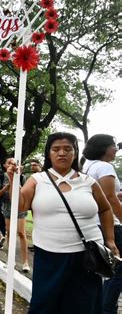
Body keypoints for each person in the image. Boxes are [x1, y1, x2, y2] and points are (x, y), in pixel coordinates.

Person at [8, 132, 118, 313]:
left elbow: (105, 210)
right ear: (49, 153)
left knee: (84, 306)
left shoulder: (88, 182)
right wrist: (13, 180)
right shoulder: (37, 180)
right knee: (45, 306)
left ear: (75, 153)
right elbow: (20, 205)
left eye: (68, 149)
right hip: (49, 258)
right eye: (56, 149)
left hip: (87, 259)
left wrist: (110, 240)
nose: (62, 153)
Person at [82, 134, 122, 314]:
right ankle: (107, 310)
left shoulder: (88, 166)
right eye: (113, 146)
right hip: (111, 225)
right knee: (118, 272)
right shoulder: (105, 166)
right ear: (104, 148)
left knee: (107, 269)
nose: (116, 149)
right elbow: (110, 200)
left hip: (95, 225)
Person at [0, 157, 30, 272]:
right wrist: (7, 187)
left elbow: (25, 194)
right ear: (5, 165)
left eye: (14, 163)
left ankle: (25, 262)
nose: (12, 165)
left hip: (20, 208)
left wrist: (18, 187)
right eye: (9, 163)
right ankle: (11, 260)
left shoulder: (21, 177)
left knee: (21, 233)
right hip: (7, 208)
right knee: (10, 233)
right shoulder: (1, 177)